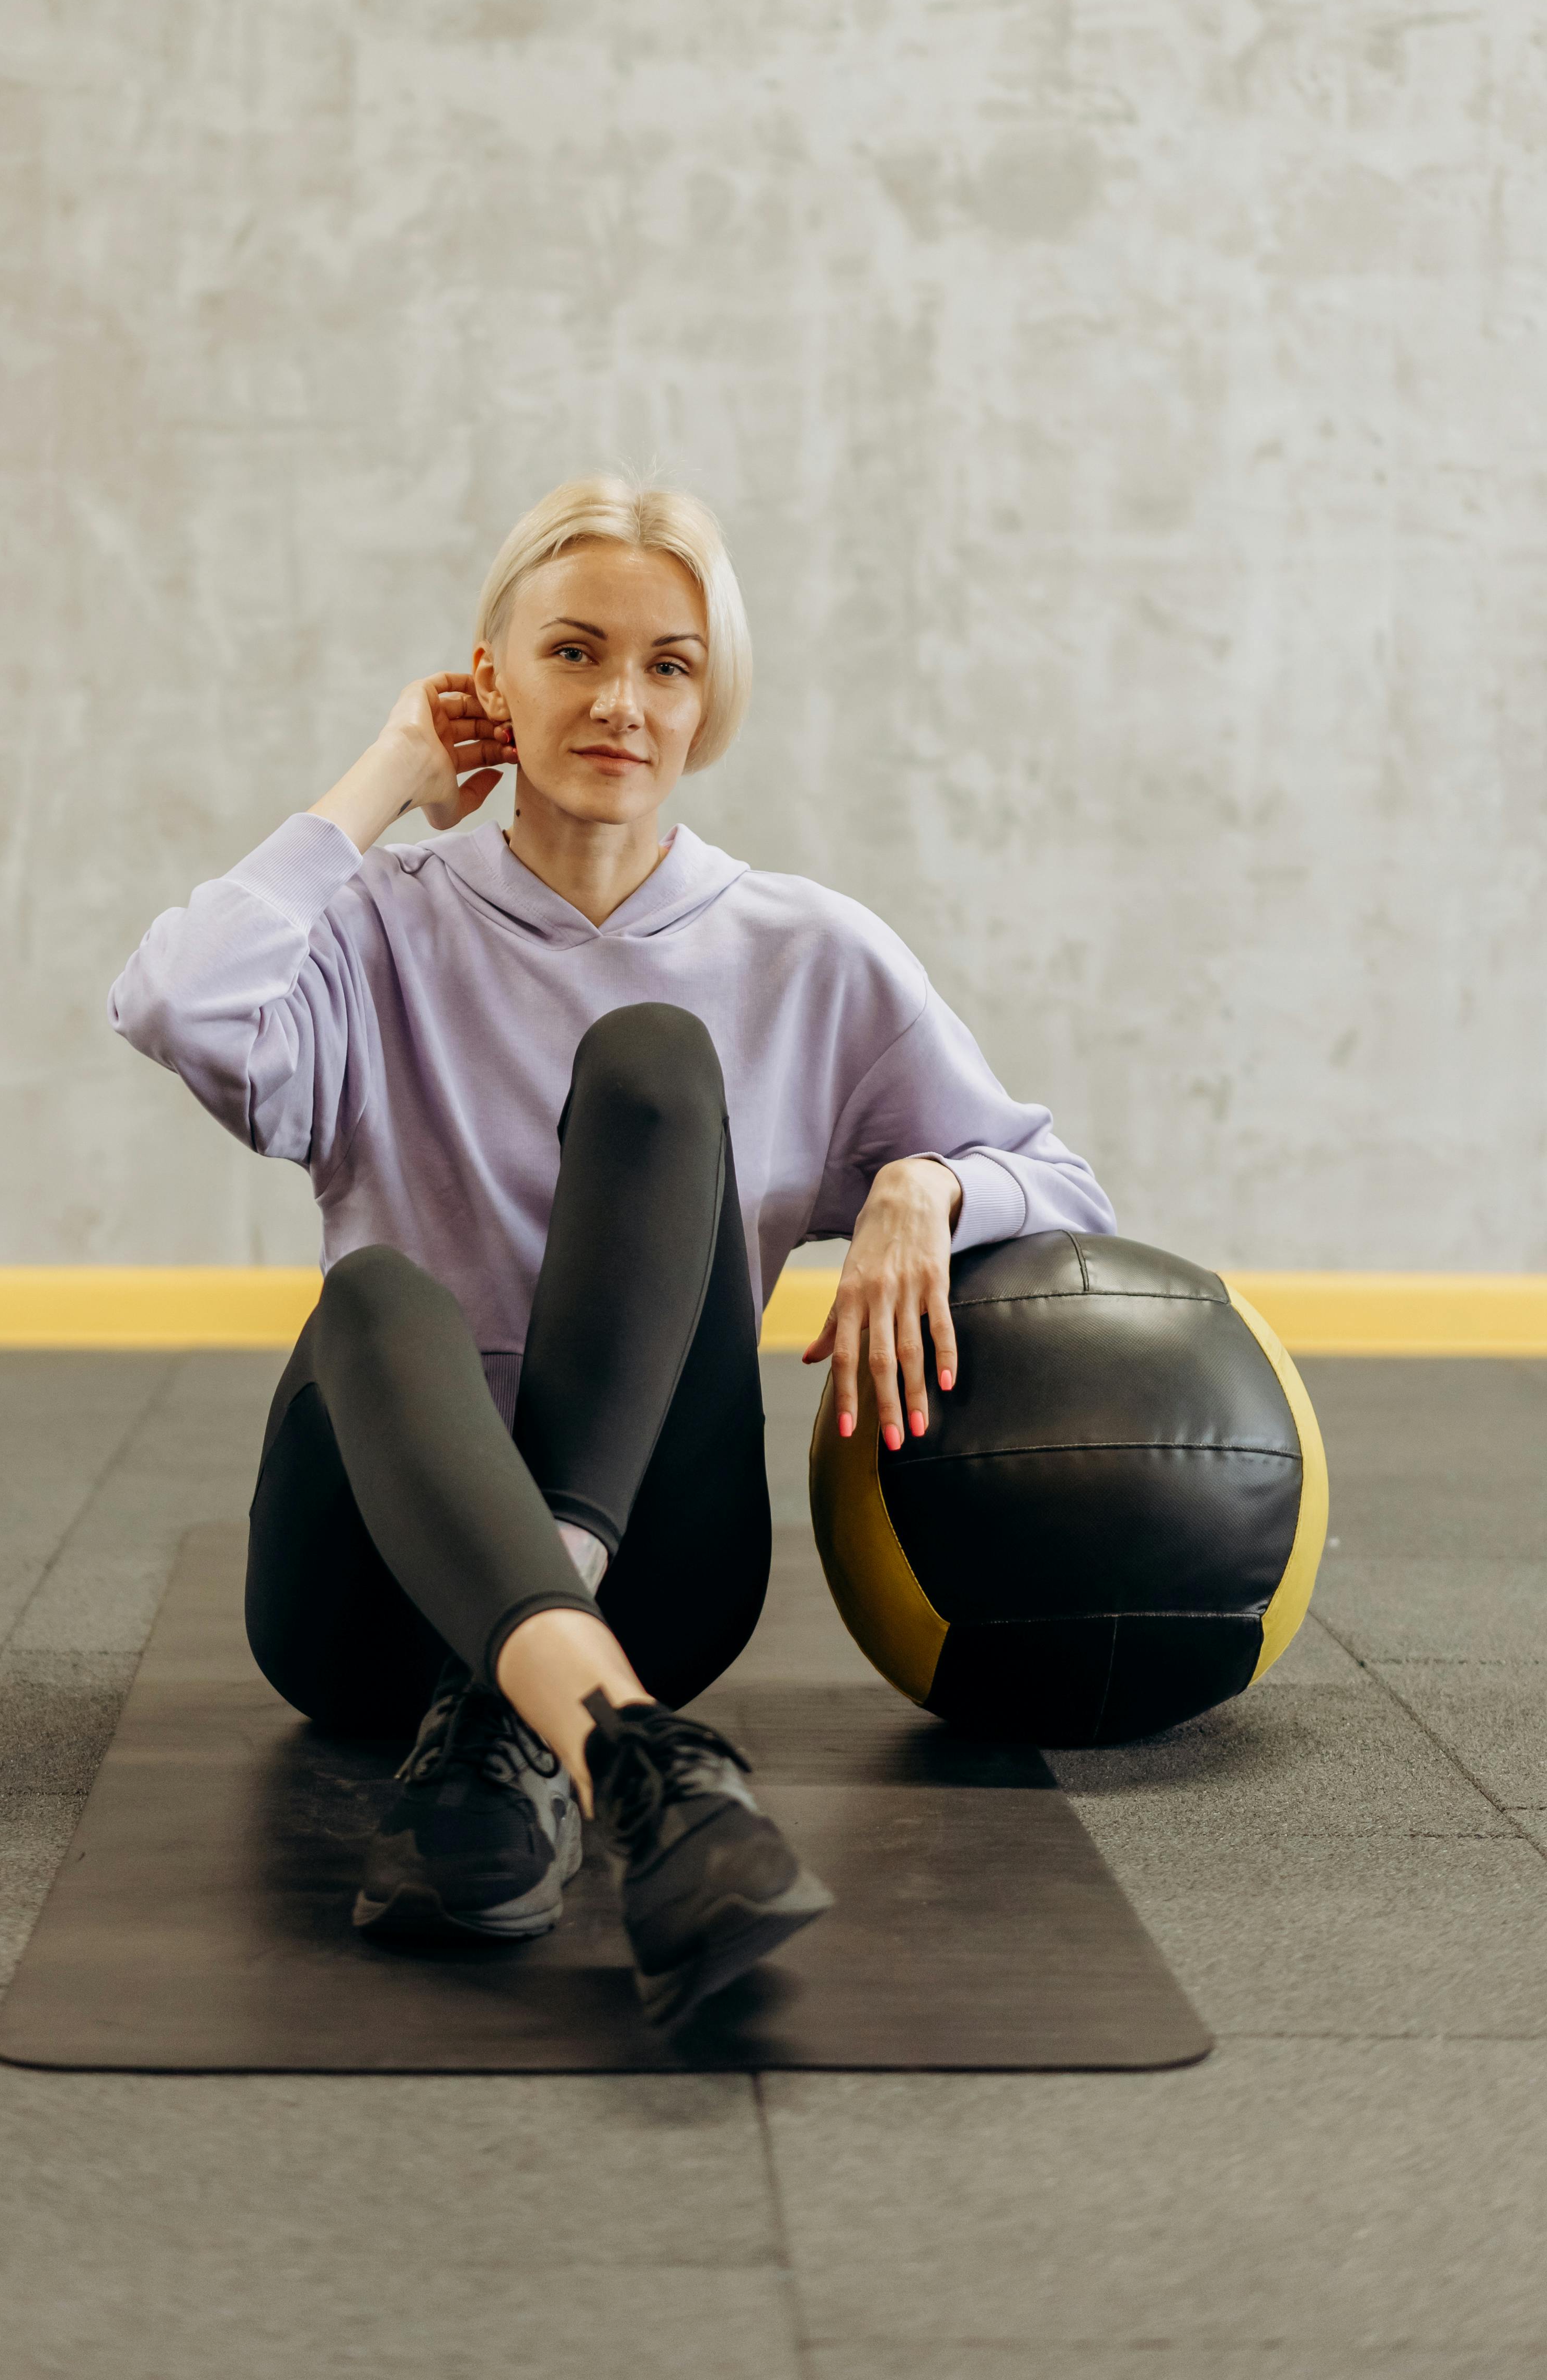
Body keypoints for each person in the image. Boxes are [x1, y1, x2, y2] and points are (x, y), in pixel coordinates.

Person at [110, 477, 1113, 2029]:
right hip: (372, 1596)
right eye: (572, 653)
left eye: (669, 665)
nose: (619, 703)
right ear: (489, 679)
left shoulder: (808, 953)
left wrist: (929, 1181)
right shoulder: (378, 928)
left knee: (655, 1063)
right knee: (377, 1294)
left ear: (711, 700)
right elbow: (180, 1004)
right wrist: (387, 772)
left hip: (657, 1561)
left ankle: (547, 1713)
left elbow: (1067, 1188)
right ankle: (628, 1756)